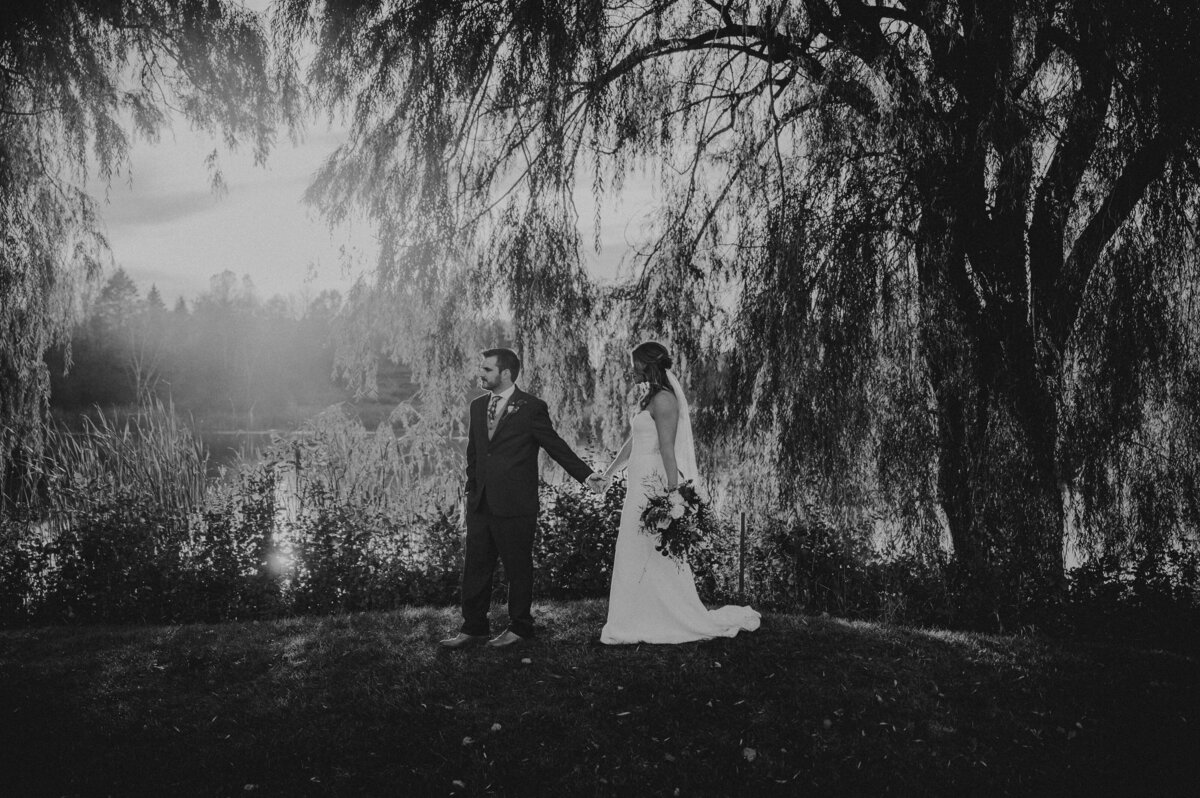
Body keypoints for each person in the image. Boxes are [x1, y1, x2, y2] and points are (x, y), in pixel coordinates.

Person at [595, 341, 760, 644]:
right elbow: (634, 442)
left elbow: (668, 450)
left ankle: (665, 615)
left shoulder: (665, 400)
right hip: (638, 481)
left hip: (654, 481)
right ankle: (633, 615)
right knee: (633, 546)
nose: (631, 370)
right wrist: (608, 473)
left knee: (653, 547)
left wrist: (674, 496)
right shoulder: (649, 399)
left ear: (648, 364)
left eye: (635, 364)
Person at [439, 348, 604, 649]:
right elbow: (475, 453)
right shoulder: (477, 406)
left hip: (516, 504)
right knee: (475, 567)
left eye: (487, 369)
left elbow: (555, 445)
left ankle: (520, 627)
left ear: (505, 374)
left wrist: (586, 475)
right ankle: (473, 627)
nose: (481, 374)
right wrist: (471, 489)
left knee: (518, 568)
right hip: (481, 502)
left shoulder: (531, 407)